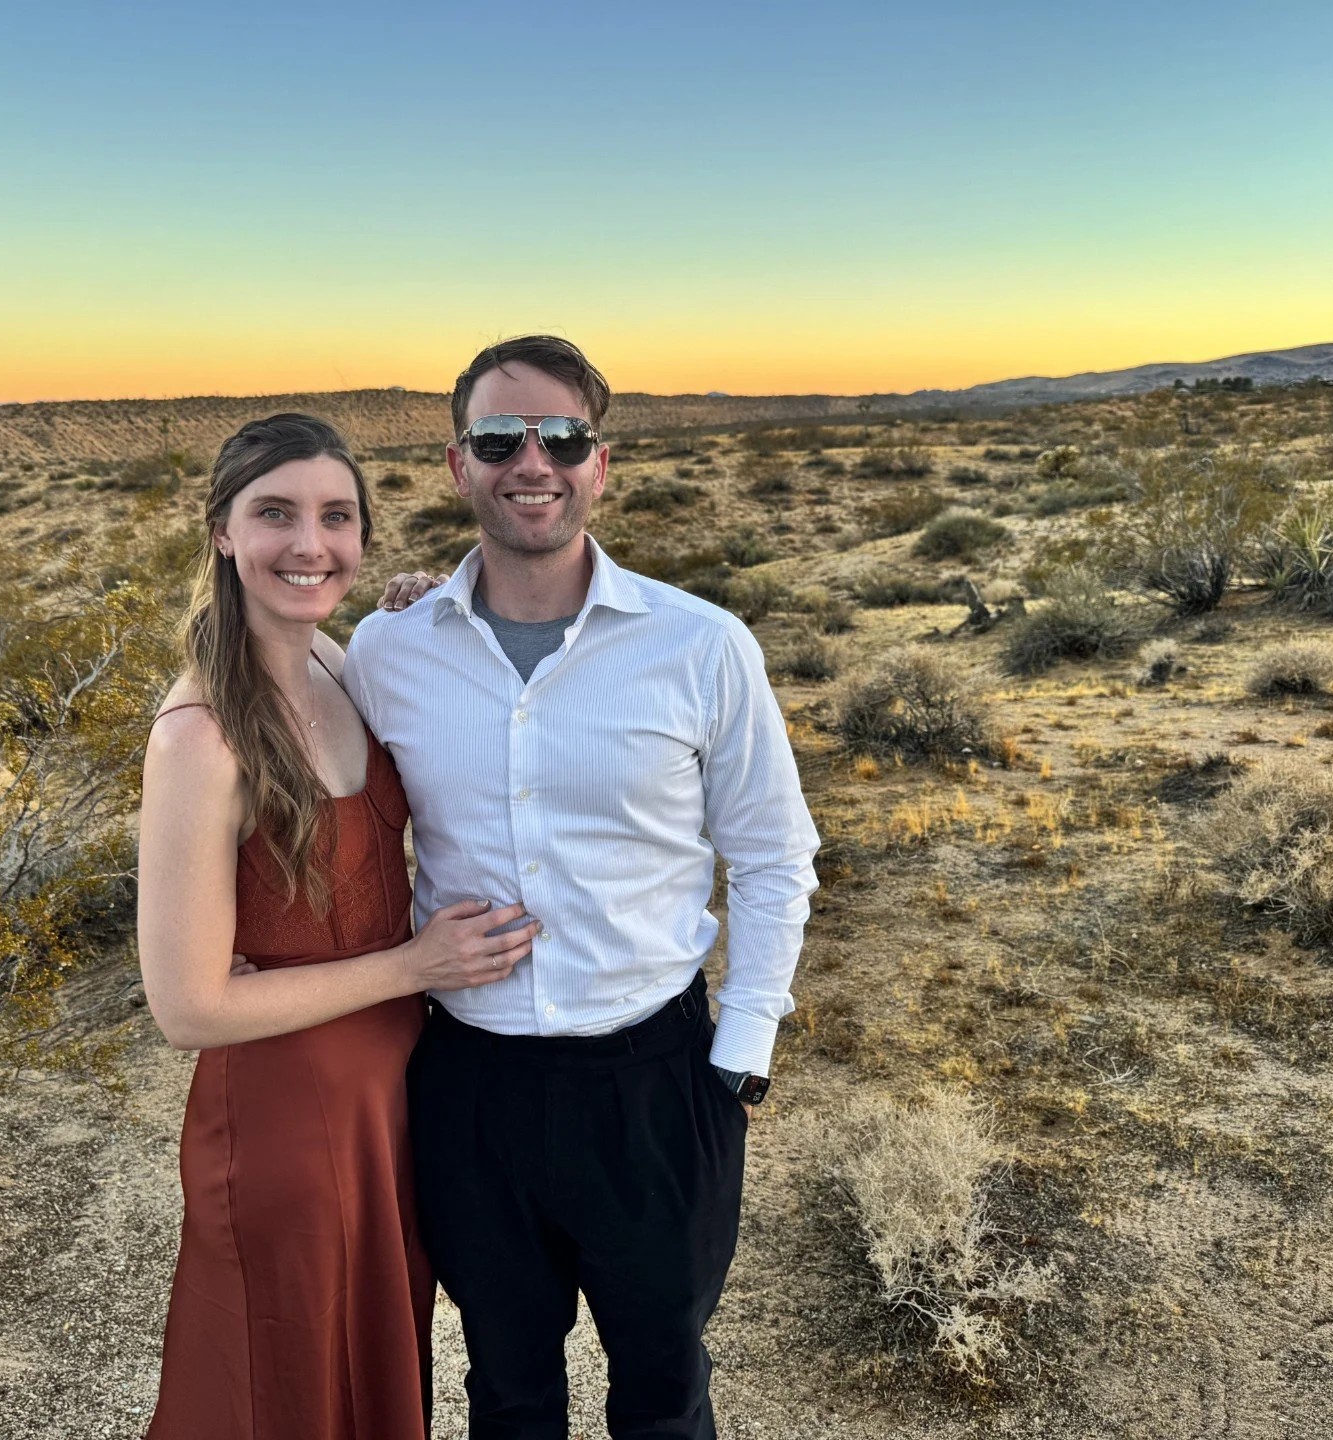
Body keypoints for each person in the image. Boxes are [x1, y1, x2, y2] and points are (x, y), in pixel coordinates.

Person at [344, 336, 820, 1440]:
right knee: (509, 1395)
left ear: (600, 463)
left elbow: (771, 852)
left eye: (562, 436)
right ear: (458, 464)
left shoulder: (701, 646)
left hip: (653, 1084)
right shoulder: (388, 649)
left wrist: (742, 1048)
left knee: (663, 1391)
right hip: (471, 1086)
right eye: (500, 438)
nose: (533, 462)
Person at [136, 412, 539, 1440]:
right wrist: (415, 964)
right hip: (287, 1111)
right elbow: (188, 1007)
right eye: (275, 514)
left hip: (389, 1101)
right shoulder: (200, 738)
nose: (310, 545)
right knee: (289, 1385)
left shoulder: (338, 662)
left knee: (372, 1367)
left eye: (336, 517)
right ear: (221, 530)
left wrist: (418, 614)